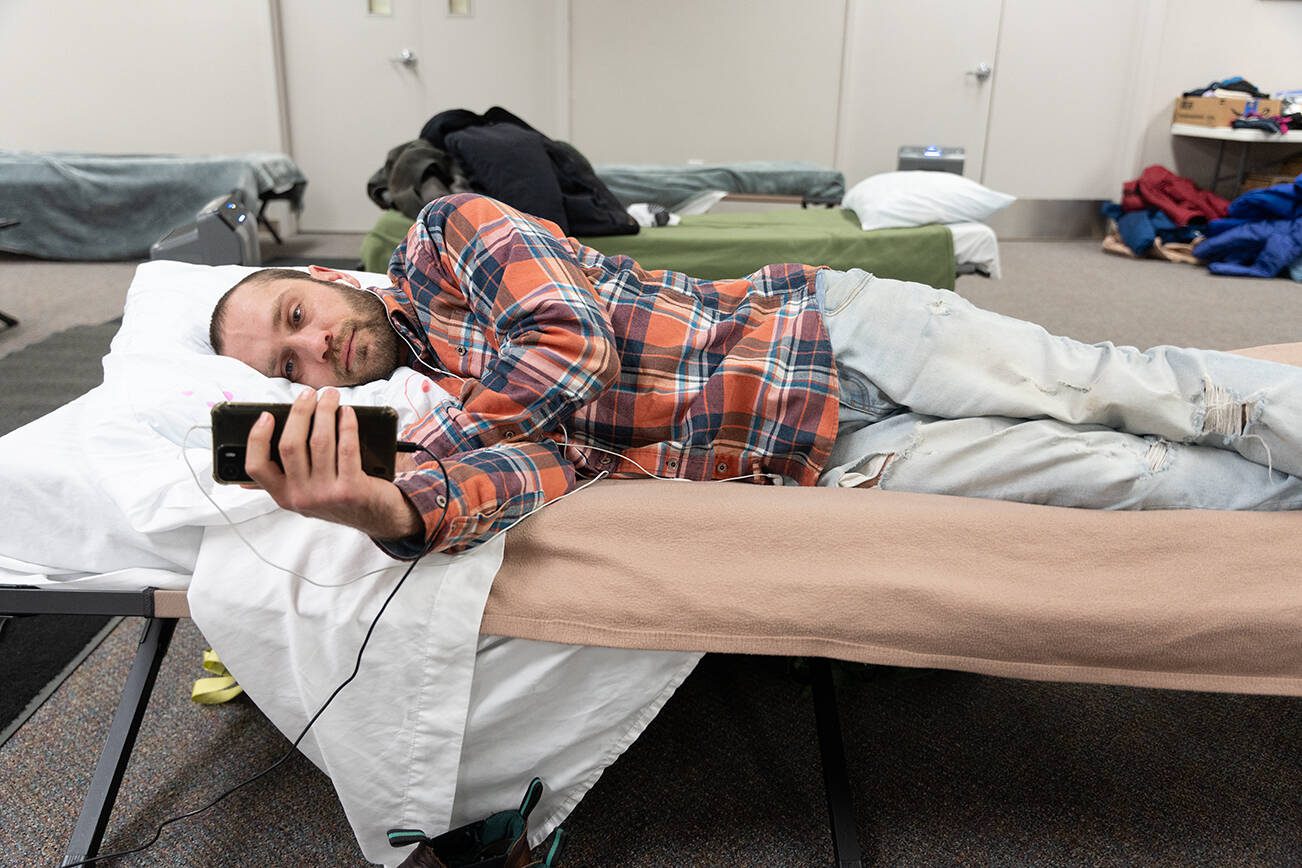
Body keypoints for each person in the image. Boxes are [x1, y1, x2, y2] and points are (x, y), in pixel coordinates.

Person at [209, 193, 1302, 557]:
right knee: (1132, 479)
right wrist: (391, 506)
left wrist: (444, 456)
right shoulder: (452, 421)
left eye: (298, 317)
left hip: (843, 330)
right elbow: (519, 480)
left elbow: (569, 338)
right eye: (291, 365)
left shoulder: (445, 239)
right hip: (828, 457)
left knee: (1130, 385)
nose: (317, 350)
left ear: (320, 275)